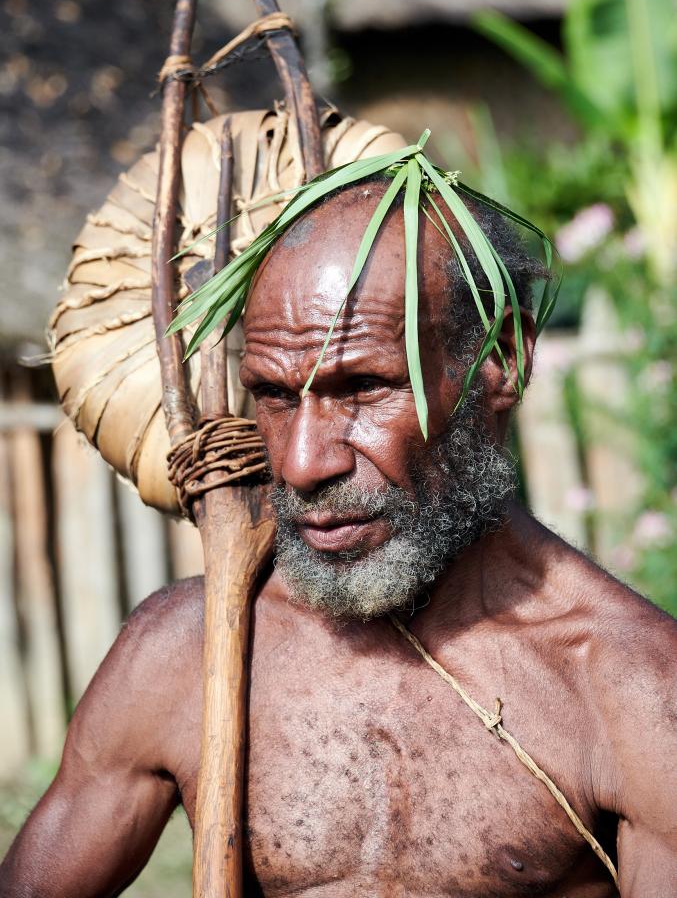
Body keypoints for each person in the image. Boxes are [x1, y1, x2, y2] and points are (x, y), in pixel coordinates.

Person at [1, 178, 675, 898]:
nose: (301, 463)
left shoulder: (630, 689)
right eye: (275, 396)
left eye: (362, 388)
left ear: (500, 358)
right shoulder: (187, 655)